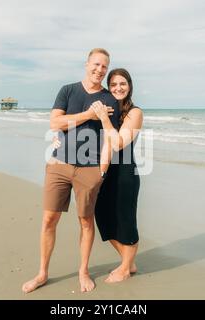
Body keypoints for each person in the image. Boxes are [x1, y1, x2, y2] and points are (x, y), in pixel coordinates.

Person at [22, 48, 120, 293]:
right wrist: (89, 114)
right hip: (59, 165)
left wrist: (102, 170)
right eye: (96, 64)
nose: (99, 70)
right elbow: (55, 122)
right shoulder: (68, 90)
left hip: (90, 168)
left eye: (104, 67)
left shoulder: (110, 100)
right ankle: (42, 273)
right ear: (87, 64)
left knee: (86, 221)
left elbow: (111, 138)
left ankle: (83, 271)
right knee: (48, 219)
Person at [90, 68, 143, 283]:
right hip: (105, 172)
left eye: (122, 83)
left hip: (125, 173)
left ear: (129, 86)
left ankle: (124, 269)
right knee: (103, 218)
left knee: (126, 222)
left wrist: (103, 118)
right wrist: (58, 138)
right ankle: (128, 261)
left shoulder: (135, 113)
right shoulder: (109, 110)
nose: (118, 88)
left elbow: (119, 143)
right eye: (113, 84)